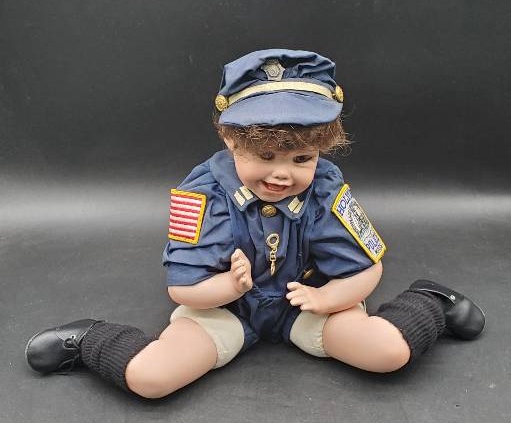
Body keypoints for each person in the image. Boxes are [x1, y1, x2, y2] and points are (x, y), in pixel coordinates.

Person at [25, 49, 485, 399]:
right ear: (229, 138)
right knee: (152, 378)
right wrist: (229, 286)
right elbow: (183, 290)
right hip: (224, 308)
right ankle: (89, 340)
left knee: (388, 353)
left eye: (302, 158)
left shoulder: (325, 187)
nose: (283, 174)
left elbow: (367, 270)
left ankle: (430, 301)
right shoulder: (202, 195)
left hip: (303, 303)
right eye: (265, 155)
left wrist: (327, 298)